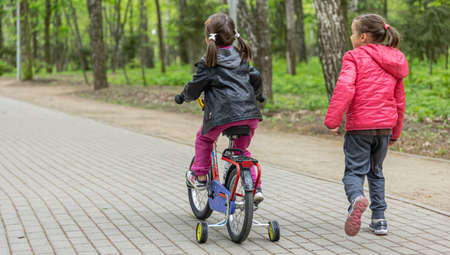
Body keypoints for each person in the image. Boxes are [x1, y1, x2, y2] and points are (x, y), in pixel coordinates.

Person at [324, 14, 408, 236]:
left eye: (353, 33)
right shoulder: (396, 60)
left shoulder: (354, 56)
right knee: (376, 172)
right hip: (384, 128)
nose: (351, 37)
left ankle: (356, 199)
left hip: (360, 127)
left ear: (362, 37)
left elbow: (345, 87)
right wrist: (396, 132)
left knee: (354, 171)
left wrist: (332, 120)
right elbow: (400, 100)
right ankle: (379, 220)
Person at [178, 13, 264, 204]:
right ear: (233, 34)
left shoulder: (209, 61)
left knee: (204, 138)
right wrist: (258, 95)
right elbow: (255, 76)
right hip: (250, 115)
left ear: (208, 36)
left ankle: (199, 176)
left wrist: (183, 97)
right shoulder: (241, 57)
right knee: (241, 152)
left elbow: (194, 87)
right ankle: (255, 187)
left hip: (222, 116)